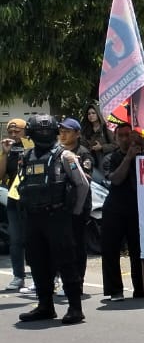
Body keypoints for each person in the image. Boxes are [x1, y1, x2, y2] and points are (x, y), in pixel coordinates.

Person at [14, 115, 90, 324]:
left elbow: (82, 185)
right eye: (39, 130)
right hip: (33, 219)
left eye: (46, 131)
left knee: (66, 262)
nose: (43, 134)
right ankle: (45, 306)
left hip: (58, 217)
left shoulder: (65, 157)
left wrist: (73, 212)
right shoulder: (26, 157)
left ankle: (75, 308)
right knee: (37, 263)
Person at [100, 122, 144, 301]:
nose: (125, 139)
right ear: (116, 138)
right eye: (122, 136)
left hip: (138, 210)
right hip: (114, 210)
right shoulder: (110, 158)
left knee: (139, 250)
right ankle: (114, 289)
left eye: (129, 135)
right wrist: (129, 157)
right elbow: (116, 180)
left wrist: (140, 151)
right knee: (110, 250)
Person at [57, 118, 99, 299]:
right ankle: (61, 279)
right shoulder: (56, 153)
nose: (63, 134)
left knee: (77, 246)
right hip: (60, 206)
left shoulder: (83, 153)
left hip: (78, 206)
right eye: (61, 131)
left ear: (77, 134)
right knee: (61, 245)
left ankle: (77, 281)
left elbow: (85, 179)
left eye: (68, 131)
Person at [2, 118, 31, 291]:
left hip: (32, 199)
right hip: (14, 198)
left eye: (17, 131)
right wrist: (5, 153)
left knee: (35, 239)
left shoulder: (33, 146)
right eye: (11, 132)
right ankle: (18, 276)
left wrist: (28, 148)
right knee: (16, 239)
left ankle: (39, 276)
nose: (14, 135)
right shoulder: (8, 149)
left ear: (25, 131)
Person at [81, 104, 112, 173]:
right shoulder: (85, 130)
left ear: (98, 114)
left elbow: (116, 145)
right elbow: (82, 145)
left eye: (93, 113)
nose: (91, 115)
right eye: (89, 114)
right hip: (90, 160)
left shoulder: (106, 128)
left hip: (104, 162)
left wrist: (102, 147)